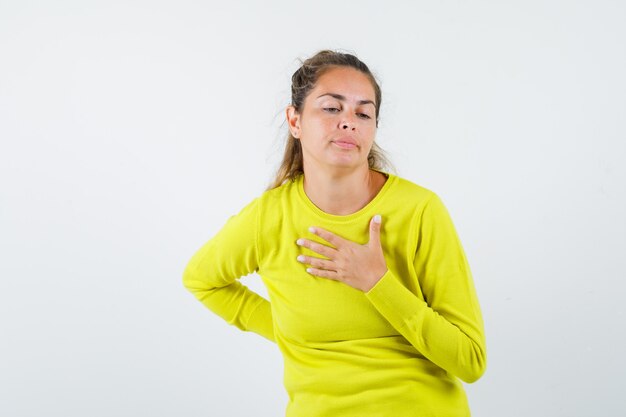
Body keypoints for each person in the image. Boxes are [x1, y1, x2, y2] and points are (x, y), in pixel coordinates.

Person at [182, 49, 487, 417]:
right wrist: (287, 331)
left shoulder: (419, 211)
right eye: (331, 108)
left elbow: (470, 361)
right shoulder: (268, 219)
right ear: (295, 121)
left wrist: (378, 283)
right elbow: (201, 280)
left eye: (363, 112)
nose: (349, 122)